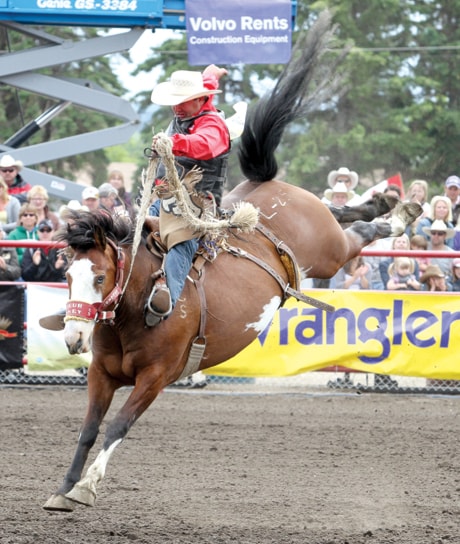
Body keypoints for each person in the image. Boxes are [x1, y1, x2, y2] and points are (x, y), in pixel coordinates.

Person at [145, 64, 231, 326]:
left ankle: (165, 304)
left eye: (182, 101)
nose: (176, 108)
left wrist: (173, 143)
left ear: (199, 99)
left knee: (181, 242)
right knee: (129, 230)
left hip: (197, 203)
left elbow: (205, 145)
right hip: (165, 197)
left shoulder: (213, 125)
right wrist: (212, 75)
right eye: (175, 101)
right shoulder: (195, 106)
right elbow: (204, 88)